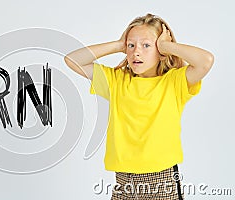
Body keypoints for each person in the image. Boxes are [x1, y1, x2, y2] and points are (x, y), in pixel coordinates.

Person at [64, 13, 214, 199]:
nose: (136, 52)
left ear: (161, 52)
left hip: (162, 182)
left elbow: (205, 61)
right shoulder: (115, 81)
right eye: (131, 45)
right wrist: (119, 44)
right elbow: (72, 60)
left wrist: (166, 46)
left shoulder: (174, 82)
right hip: (124, 183)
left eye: (146, 45)